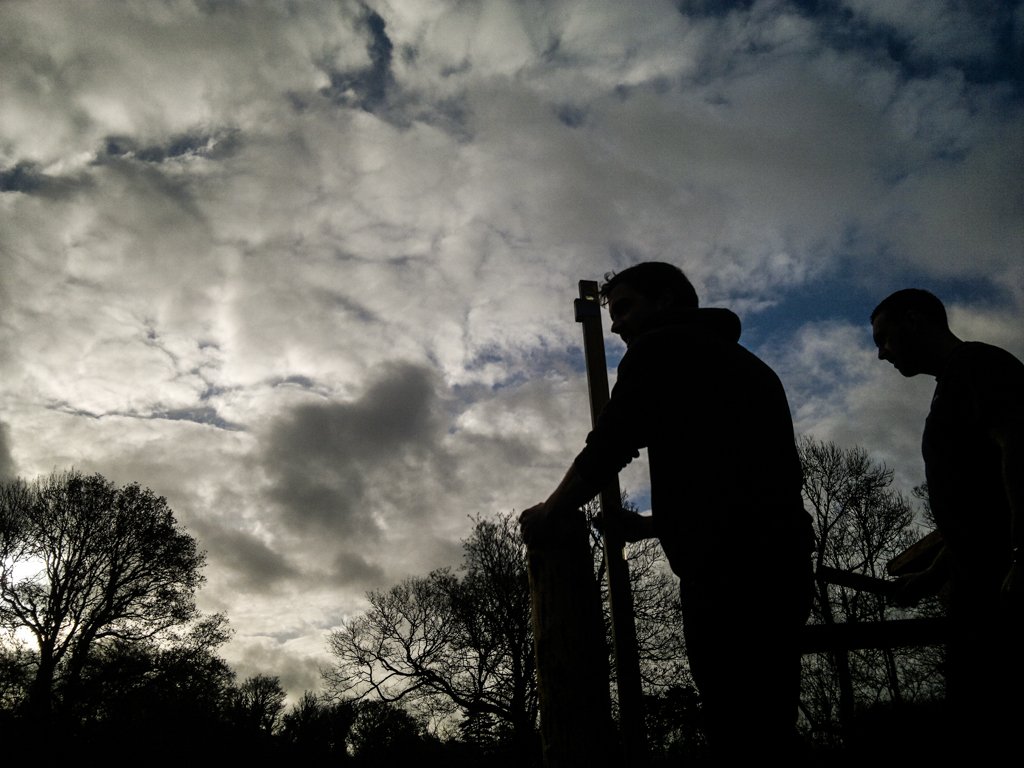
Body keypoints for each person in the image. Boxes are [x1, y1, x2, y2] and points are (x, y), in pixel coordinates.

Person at [520, 262, 813, 759]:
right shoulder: (747, 365)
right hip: (781, 569)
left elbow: (611, 443)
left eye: (625, 308)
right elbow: (745, 492)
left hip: (727, 579)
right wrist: (651, 526)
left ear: (665, 301)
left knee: (738, 726)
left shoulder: (662, 347)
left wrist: (551, 510)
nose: (616, 326)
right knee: (769, 721)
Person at [871, 288, 1023, 755]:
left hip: (1004, 588)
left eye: (884, 338)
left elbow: (1019, 446)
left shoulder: (978, 364)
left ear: (912, 321)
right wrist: (933, 574)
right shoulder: (952, 384)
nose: (881, 354)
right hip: (978, 588)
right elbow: (975, 505)